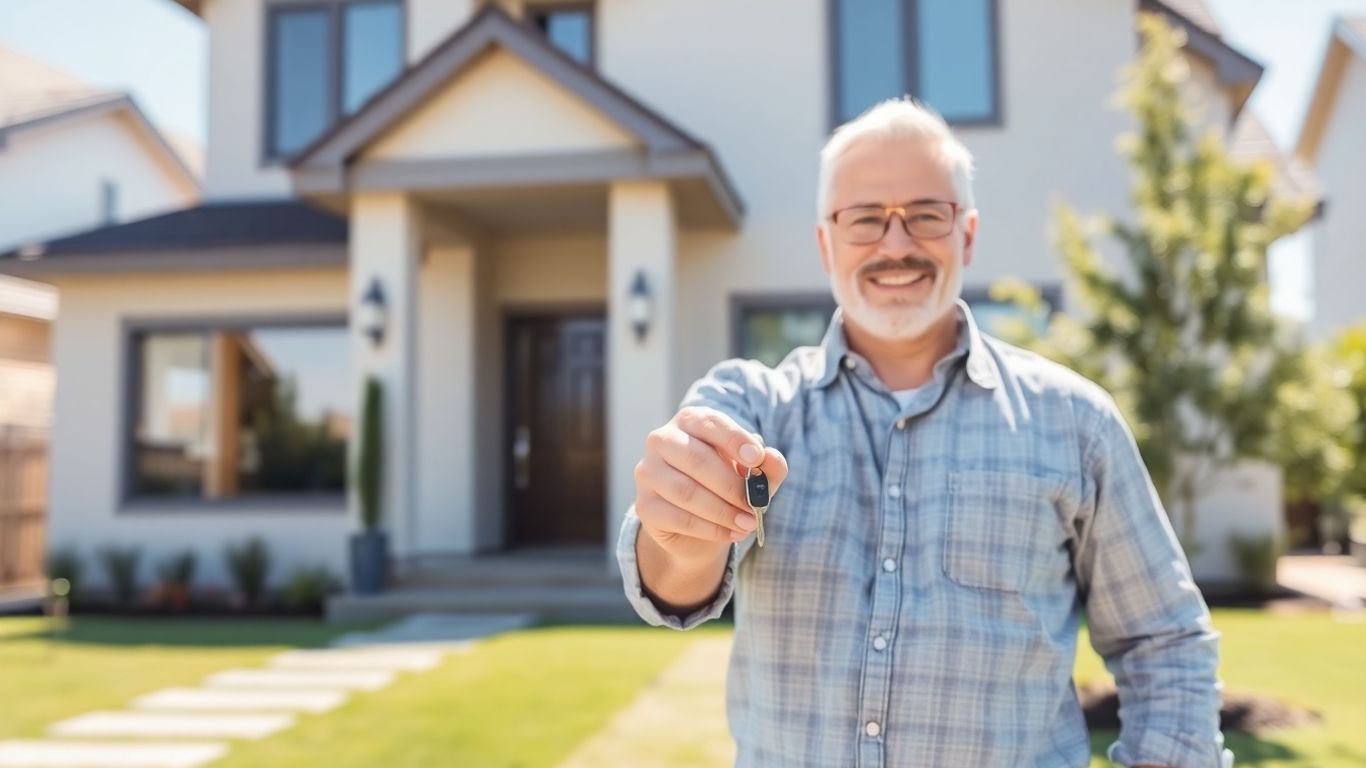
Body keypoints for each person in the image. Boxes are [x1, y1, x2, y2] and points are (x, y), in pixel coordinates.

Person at [616, 98, 1233, 768]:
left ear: (967, 234)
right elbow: (674, 581)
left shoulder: (1077, 423)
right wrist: (684, 530)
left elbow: (1164, 641)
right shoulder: (749, 408)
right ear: (825, 244)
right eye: (865, 219)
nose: (896, 243)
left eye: (926, 215)